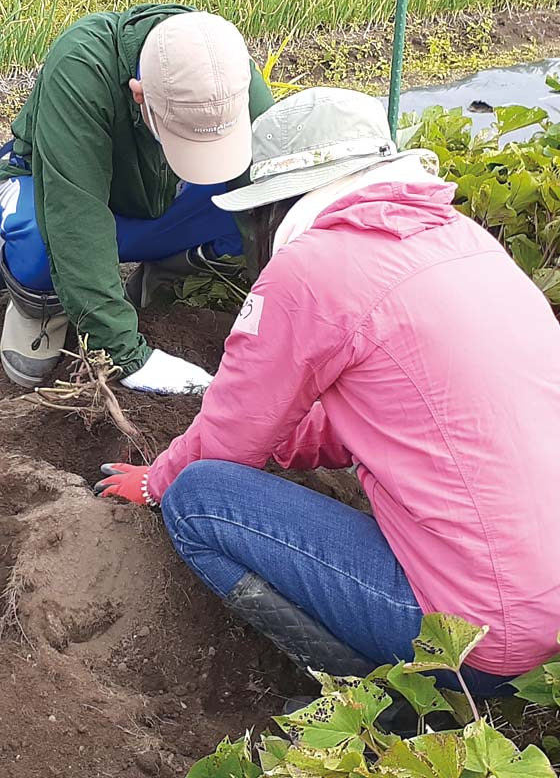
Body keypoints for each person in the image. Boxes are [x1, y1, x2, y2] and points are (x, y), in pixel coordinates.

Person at [94, 87, 560, 693]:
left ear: (276, 201)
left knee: (198, 496)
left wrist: (158, 480)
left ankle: (375, 692)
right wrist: (284, 441)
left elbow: (227, 440)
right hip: (547, 621)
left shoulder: (314, 267)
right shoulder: (464, 242)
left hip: (474, 642)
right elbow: (400, 410)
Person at [0, 6, 275, 390]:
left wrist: (278, 316)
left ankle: (169, 276)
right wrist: (125, 356)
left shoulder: (226, 70)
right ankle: (42, 305)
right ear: (139, 94)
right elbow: (75, 216)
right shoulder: (81, 68)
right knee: (42, 239)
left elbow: (271, 196)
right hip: (61, 189)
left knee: (251, 209)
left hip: (160, 196)